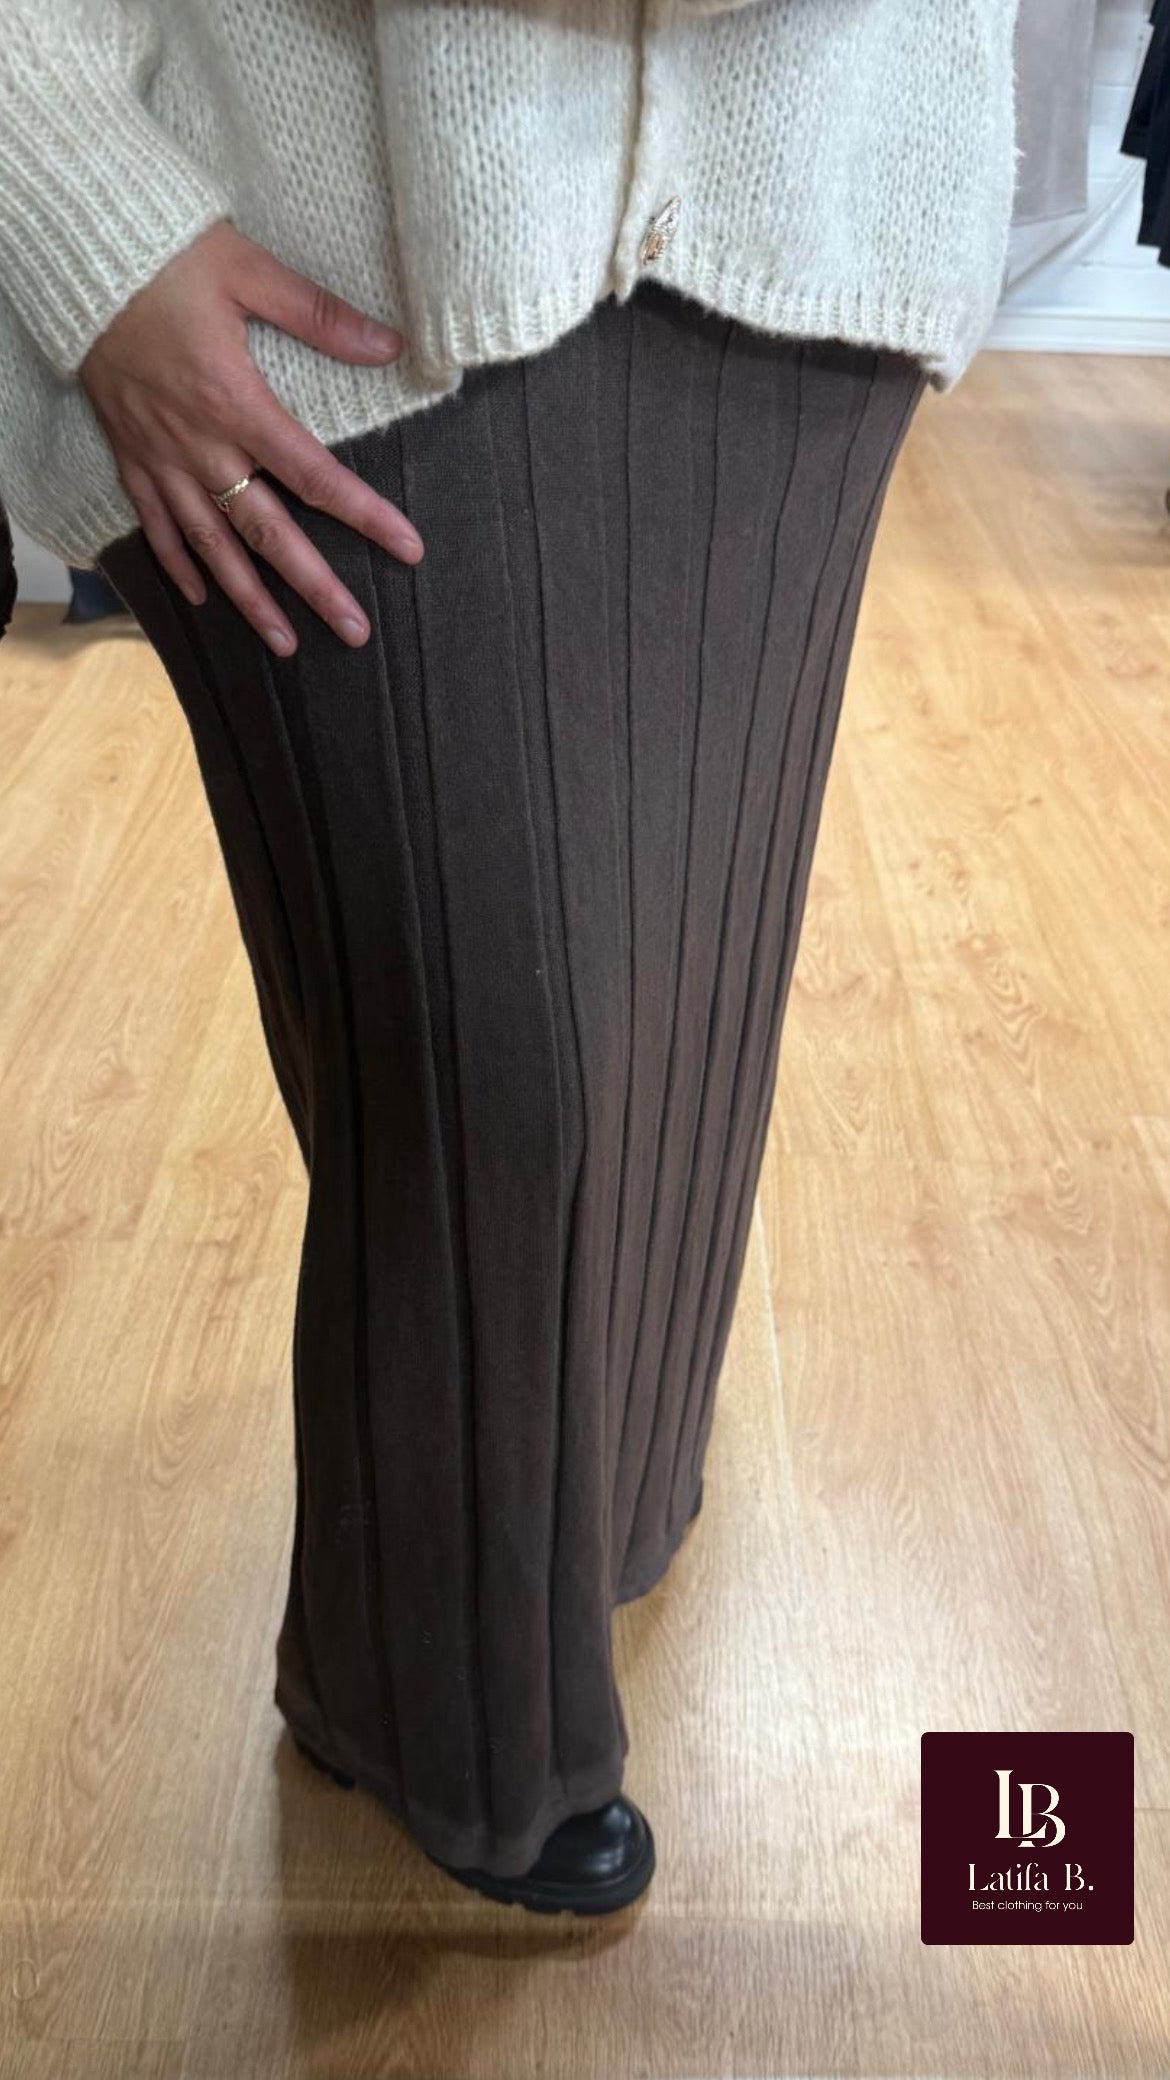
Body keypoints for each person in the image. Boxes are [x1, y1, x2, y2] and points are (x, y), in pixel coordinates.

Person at [0, 0, 1022, 1917]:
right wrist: (74, 208)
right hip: (315, 248)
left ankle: (592, 1516)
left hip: (814, 211)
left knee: (681, 997)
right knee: (490, 1056)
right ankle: (436, 1704)